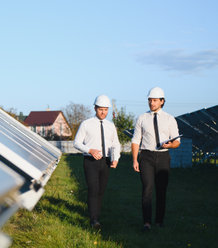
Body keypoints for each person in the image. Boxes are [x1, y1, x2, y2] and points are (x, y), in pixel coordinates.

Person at [131, 87, 180, 231]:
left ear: (162, 101)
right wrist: (135, 159)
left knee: (161, 190)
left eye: (154, 100)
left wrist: (171, 144)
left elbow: (177, 142)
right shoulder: (142, 118)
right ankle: (147, 222)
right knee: (147, 189)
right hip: (146, 156)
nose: (151, 103)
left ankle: (159, 220)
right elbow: (135, 140)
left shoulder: (169, 119)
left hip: (163, 156)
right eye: (150, 100)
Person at [74, 95, 121, 229]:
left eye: (106, 110)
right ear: (95, 108)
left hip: (105, 161)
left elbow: (115, 144)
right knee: (93, 188)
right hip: (90, 161)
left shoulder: (111, 126)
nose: (103, 112)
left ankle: (96, 215)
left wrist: (115, 158)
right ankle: (94, 220)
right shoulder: (86, 124)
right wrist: (90, 150)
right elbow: (76, 143)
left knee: (101, 190)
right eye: (100, 109)